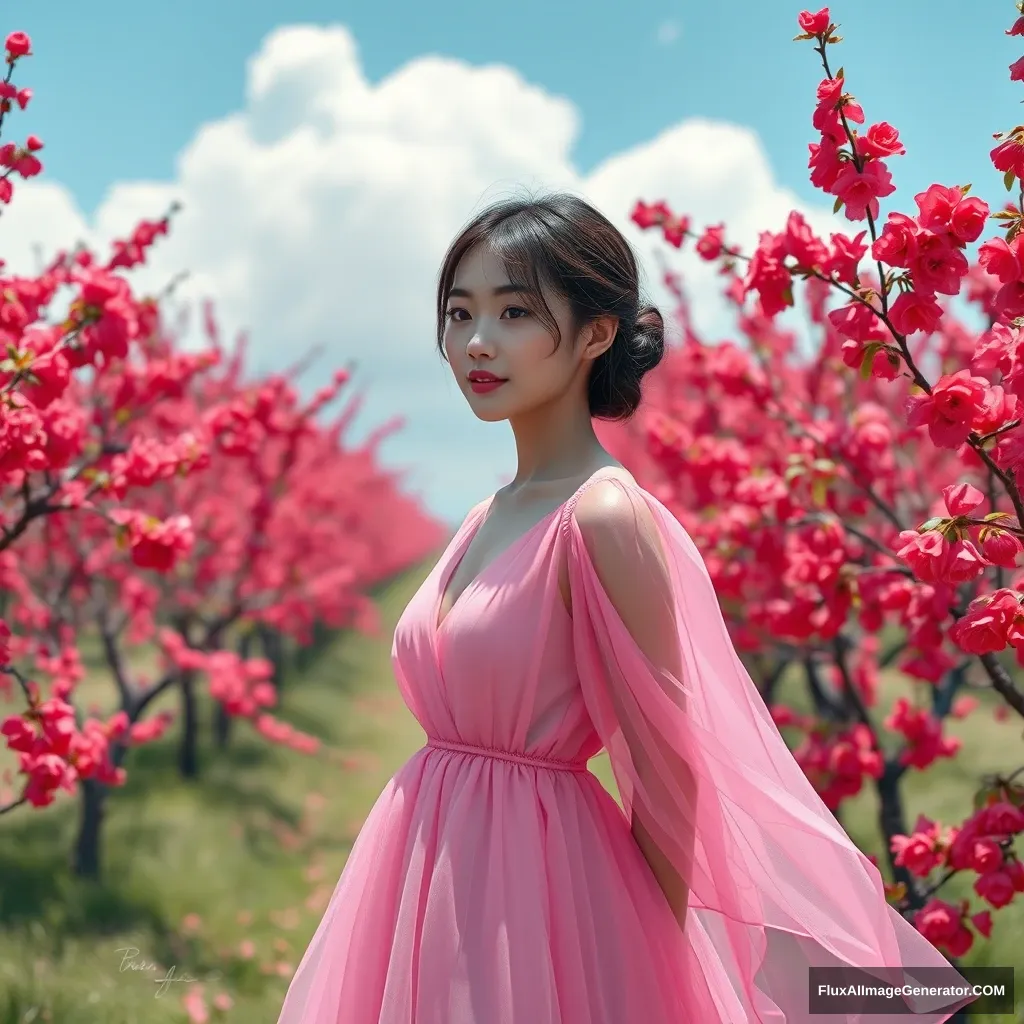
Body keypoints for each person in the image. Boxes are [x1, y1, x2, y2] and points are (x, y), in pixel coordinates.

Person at [277, 191, 972, 1022]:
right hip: (418, 869)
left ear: (597, 334)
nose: (476, 342)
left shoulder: (604, 517)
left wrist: (642, 956)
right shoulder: (486, 514)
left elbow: (667, 773)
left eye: (514, 312)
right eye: (459, 313)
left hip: (538, 886)